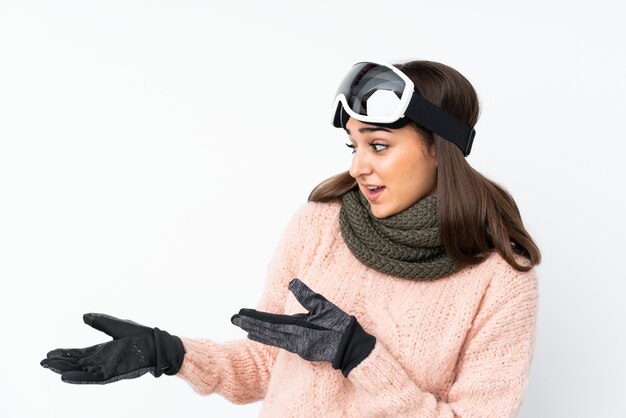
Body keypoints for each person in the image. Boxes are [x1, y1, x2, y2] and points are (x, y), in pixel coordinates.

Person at [41, 59, 541, 417]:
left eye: (380, 146)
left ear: (439, 150)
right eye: (354, 144)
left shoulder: (498, 276)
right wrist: (169, 354)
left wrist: (362, 359)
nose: (357, 165)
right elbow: (265, 365)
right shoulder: (320, 225)